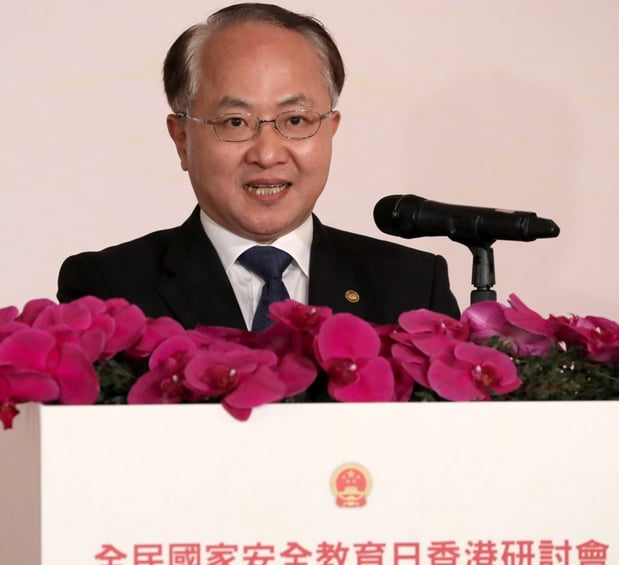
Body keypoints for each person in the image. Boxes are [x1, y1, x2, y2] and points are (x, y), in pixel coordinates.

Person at [57, 3, 459, 330]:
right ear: (181, 139)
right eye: (235, 122)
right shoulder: (109, 292)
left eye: (296, 121)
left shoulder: (412, 288)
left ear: (329, 130)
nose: (267, 155)